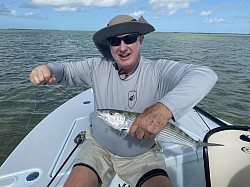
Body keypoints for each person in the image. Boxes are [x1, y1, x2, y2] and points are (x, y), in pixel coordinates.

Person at [29, 15, 218, 187]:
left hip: (142, 155)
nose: (122, 47)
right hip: (97, 147)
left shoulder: (158, 70)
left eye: (129, 39)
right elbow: (65, 70)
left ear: (140, 40)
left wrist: (163, 109)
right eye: (114, 41)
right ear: (109, 46)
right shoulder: (96, 66)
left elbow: (205, 74)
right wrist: (48, 69)